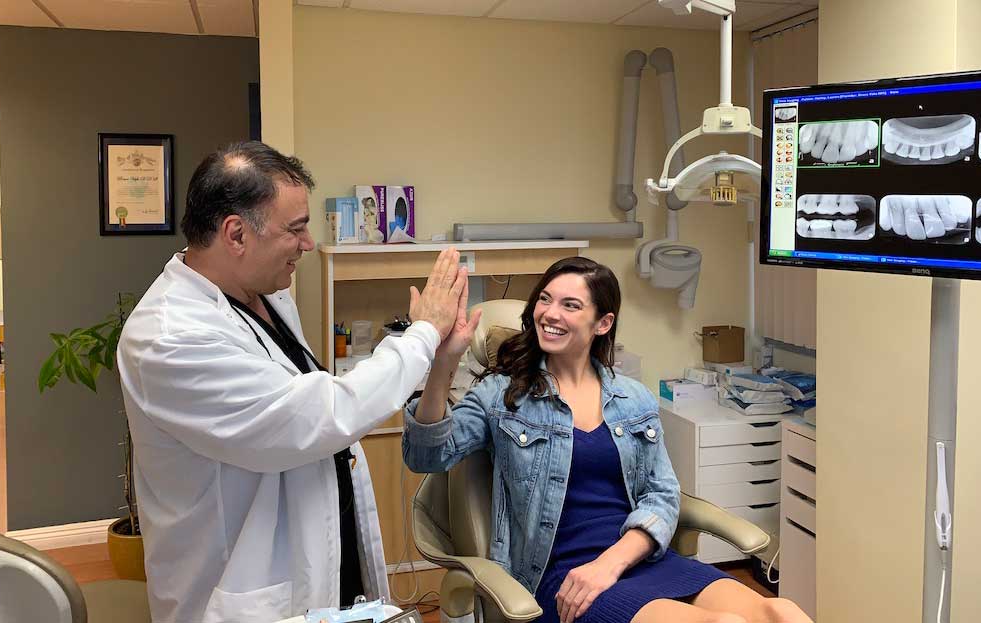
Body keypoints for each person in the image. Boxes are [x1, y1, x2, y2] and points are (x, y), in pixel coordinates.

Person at [117, 141, 468, 623]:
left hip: (319, 555)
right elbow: (318, 414)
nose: (308, 243)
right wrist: (423, 333)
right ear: (236, 234)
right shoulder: (169, 338)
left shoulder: (265, 294)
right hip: (240, 588)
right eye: (296, 228)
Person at [402, 257, 813, 623]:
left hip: (634, 557)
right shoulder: (502, 395)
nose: (550, 313)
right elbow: (426, 455)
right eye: (544, 299)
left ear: (603, 323)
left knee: (781, 612)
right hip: (562, 575)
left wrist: (613, 562)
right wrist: (443, 360)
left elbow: (662, 494)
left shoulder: (633, 398)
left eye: (570, 305)